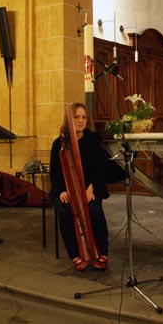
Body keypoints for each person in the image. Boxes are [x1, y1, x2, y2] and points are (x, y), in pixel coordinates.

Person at [49, 102, 110, 271]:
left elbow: (101, 168)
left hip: (90, 188)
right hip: (66, 189)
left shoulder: (93, 140)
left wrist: (91, 189)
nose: (81, 121)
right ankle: (75, 255)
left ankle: (103, 252)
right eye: (77, 117)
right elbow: (55, 171)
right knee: (64, 210)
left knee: (94, 208)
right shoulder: (59, 144)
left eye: (84, 117)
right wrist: (61, 189)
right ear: (69, 119)